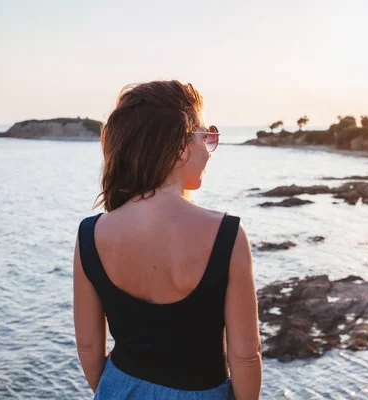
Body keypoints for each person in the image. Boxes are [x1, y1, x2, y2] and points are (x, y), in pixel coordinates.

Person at [73, 80, 262, 399]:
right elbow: (245, 356)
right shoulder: (226, 235)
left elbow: (90, 347)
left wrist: (115, 391)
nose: (209, 148)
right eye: (207, 136)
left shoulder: (91, 234)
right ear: (182, 148)